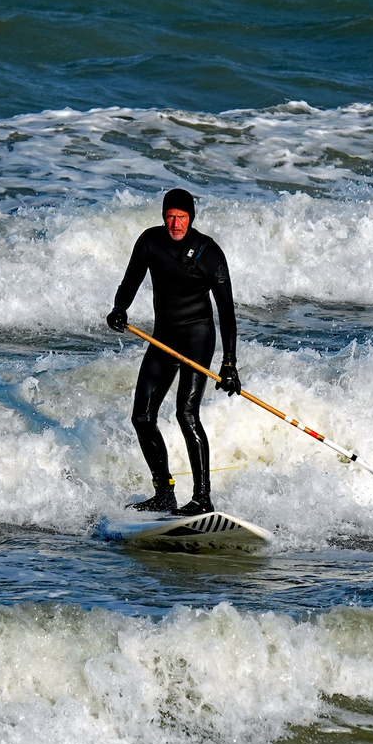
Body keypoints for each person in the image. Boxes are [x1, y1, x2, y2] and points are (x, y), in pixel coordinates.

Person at [105, 188, 240, 516]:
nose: (175, 223)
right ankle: (164, 493)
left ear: (191, 218)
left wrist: (229, 364)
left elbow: (226, 313)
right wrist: (119, 308)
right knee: (142, 417)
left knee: (186, 413)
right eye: (170, 216)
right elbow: (130, 281)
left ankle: (202, 499)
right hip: (164, 338)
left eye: (181, 216)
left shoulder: (210, 254)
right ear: (163, 216)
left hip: (197, 336)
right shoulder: (150, 242)